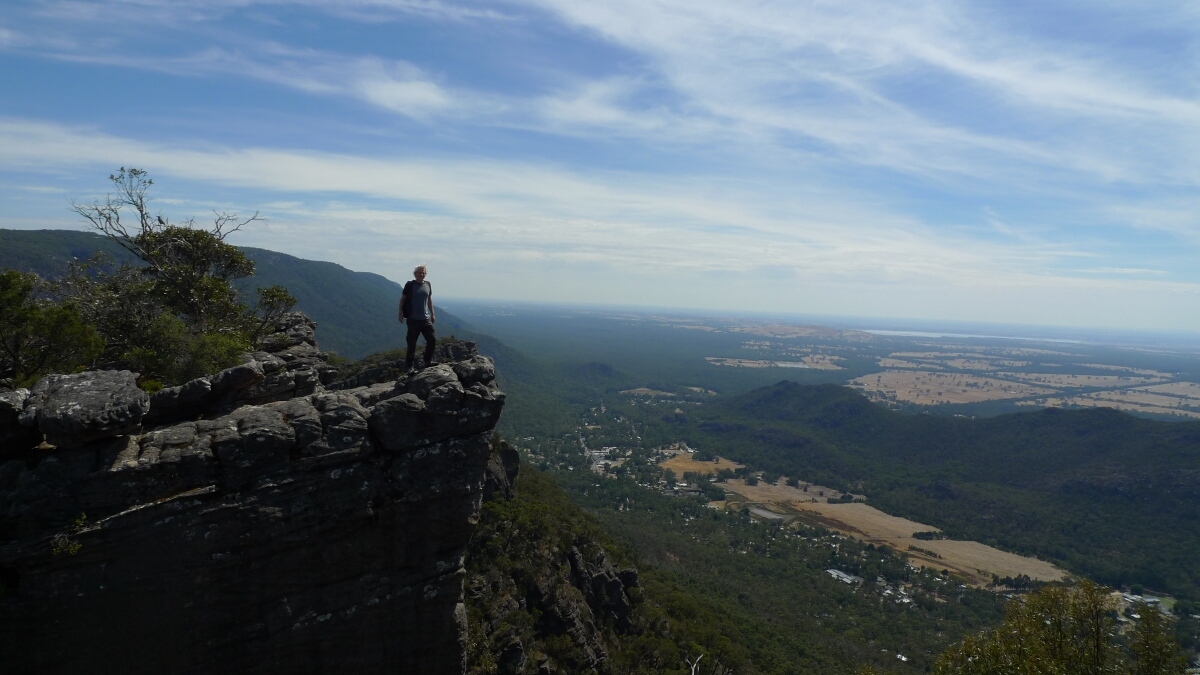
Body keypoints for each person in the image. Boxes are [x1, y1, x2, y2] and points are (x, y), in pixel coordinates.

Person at [398, 264, 436, 369]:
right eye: (419, 272)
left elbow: (429, 300)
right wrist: (400, 312)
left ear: (425, 274)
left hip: (426, 319)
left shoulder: (428, 284)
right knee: (412, 344)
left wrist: (432, 313)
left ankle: (427, 361)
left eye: (423, 272)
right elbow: (403, 299)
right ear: (415, 274)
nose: (421, 274)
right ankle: (409, 367)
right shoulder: (410, 285)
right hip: (413, 320)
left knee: (432, 340)